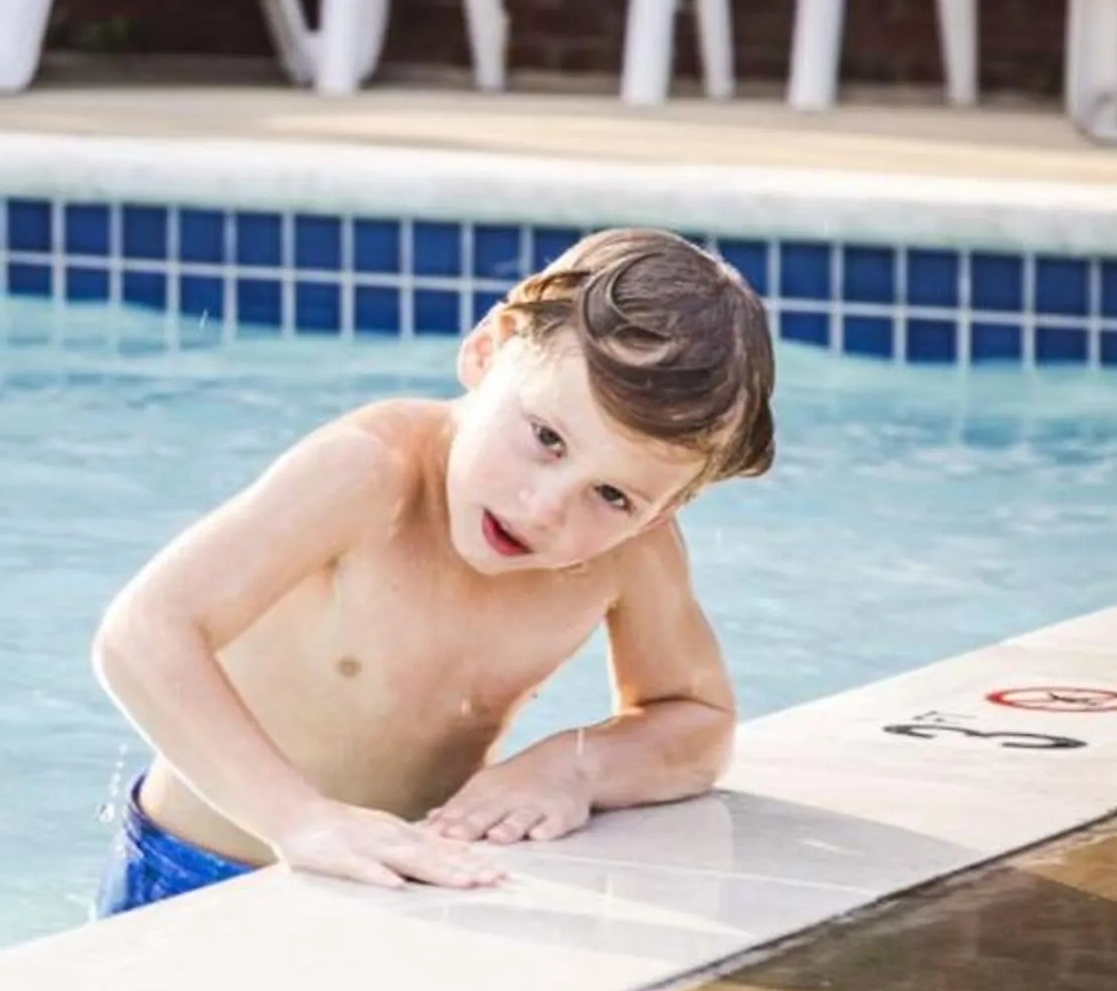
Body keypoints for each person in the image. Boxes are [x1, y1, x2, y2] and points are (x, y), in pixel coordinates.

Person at [89, 226, 778, 915]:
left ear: (662, 512)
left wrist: (575, 765)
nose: (544, 508)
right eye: (545, 437)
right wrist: (297, 819)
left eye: (613, 496)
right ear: (488, 349)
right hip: (197, 872)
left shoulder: (631, 551)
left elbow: (698, 720)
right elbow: (142, 632)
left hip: (396, 884)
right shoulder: (370, 473)